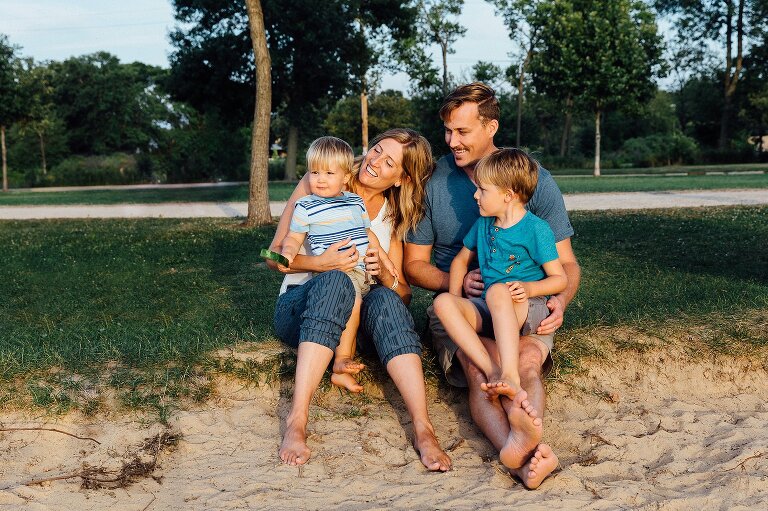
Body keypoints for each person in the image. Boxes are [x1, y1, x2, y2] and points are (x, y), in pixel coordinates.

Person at [404, 83, 581, 489]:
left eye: (462, 132)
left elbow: (567, 264)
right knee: (480, 370)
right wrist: (457, 281)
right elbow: (414, 265)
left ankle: (526, 450)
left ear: (491, 127)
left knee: (525, 363)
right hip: (466, 305)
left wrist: (560, 301)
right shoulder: (433, 180)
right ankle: (524, 460)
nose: (451, 142)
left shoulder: (530, 178)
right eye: (447, 131)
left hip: (523, 301)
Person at [267, 128, 452, 472]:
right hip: (301, 308)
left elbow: (403, 295)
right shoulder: (324, 177)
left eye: (389, 162)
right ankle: (296, 421)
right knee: (337, 279)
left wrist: (382, 271)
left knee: (385, 298)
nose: (374, 162)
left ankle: (424, 429)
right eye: (377, 150)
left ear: (401, 178)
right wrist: (320, 263)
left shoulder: (392, 215)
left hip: (360, 317)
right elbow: (274, 254)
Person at [433, 148, 567, 405]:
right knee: (442, 304)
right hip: (489, 308)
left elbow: (559, 279)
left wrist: (528, 289)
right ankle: (493, 371)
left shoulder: (536, 229)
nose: (475, 195)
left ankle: (510, 374)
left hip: (526, 308)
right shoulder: (483, 224)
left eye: (482, 190)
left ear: (508, 195)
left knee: (497, 291)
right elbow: (461, 259)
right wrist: (456, 297)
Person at [278, 136, 398, 393]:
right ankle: (342, 361)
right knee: (351, 299)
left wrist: (385, 261)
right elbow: (293, 237)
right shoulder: (306, 205)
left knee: (362, 300)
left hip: (361, 272)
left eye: (329, 173)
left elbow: (368, 233)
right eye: (314, 172)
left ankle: (343, 357)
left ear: (344, 177)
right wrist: (290, 253)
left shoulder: (355, 202)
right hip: (333, 277)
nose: (319, 179)